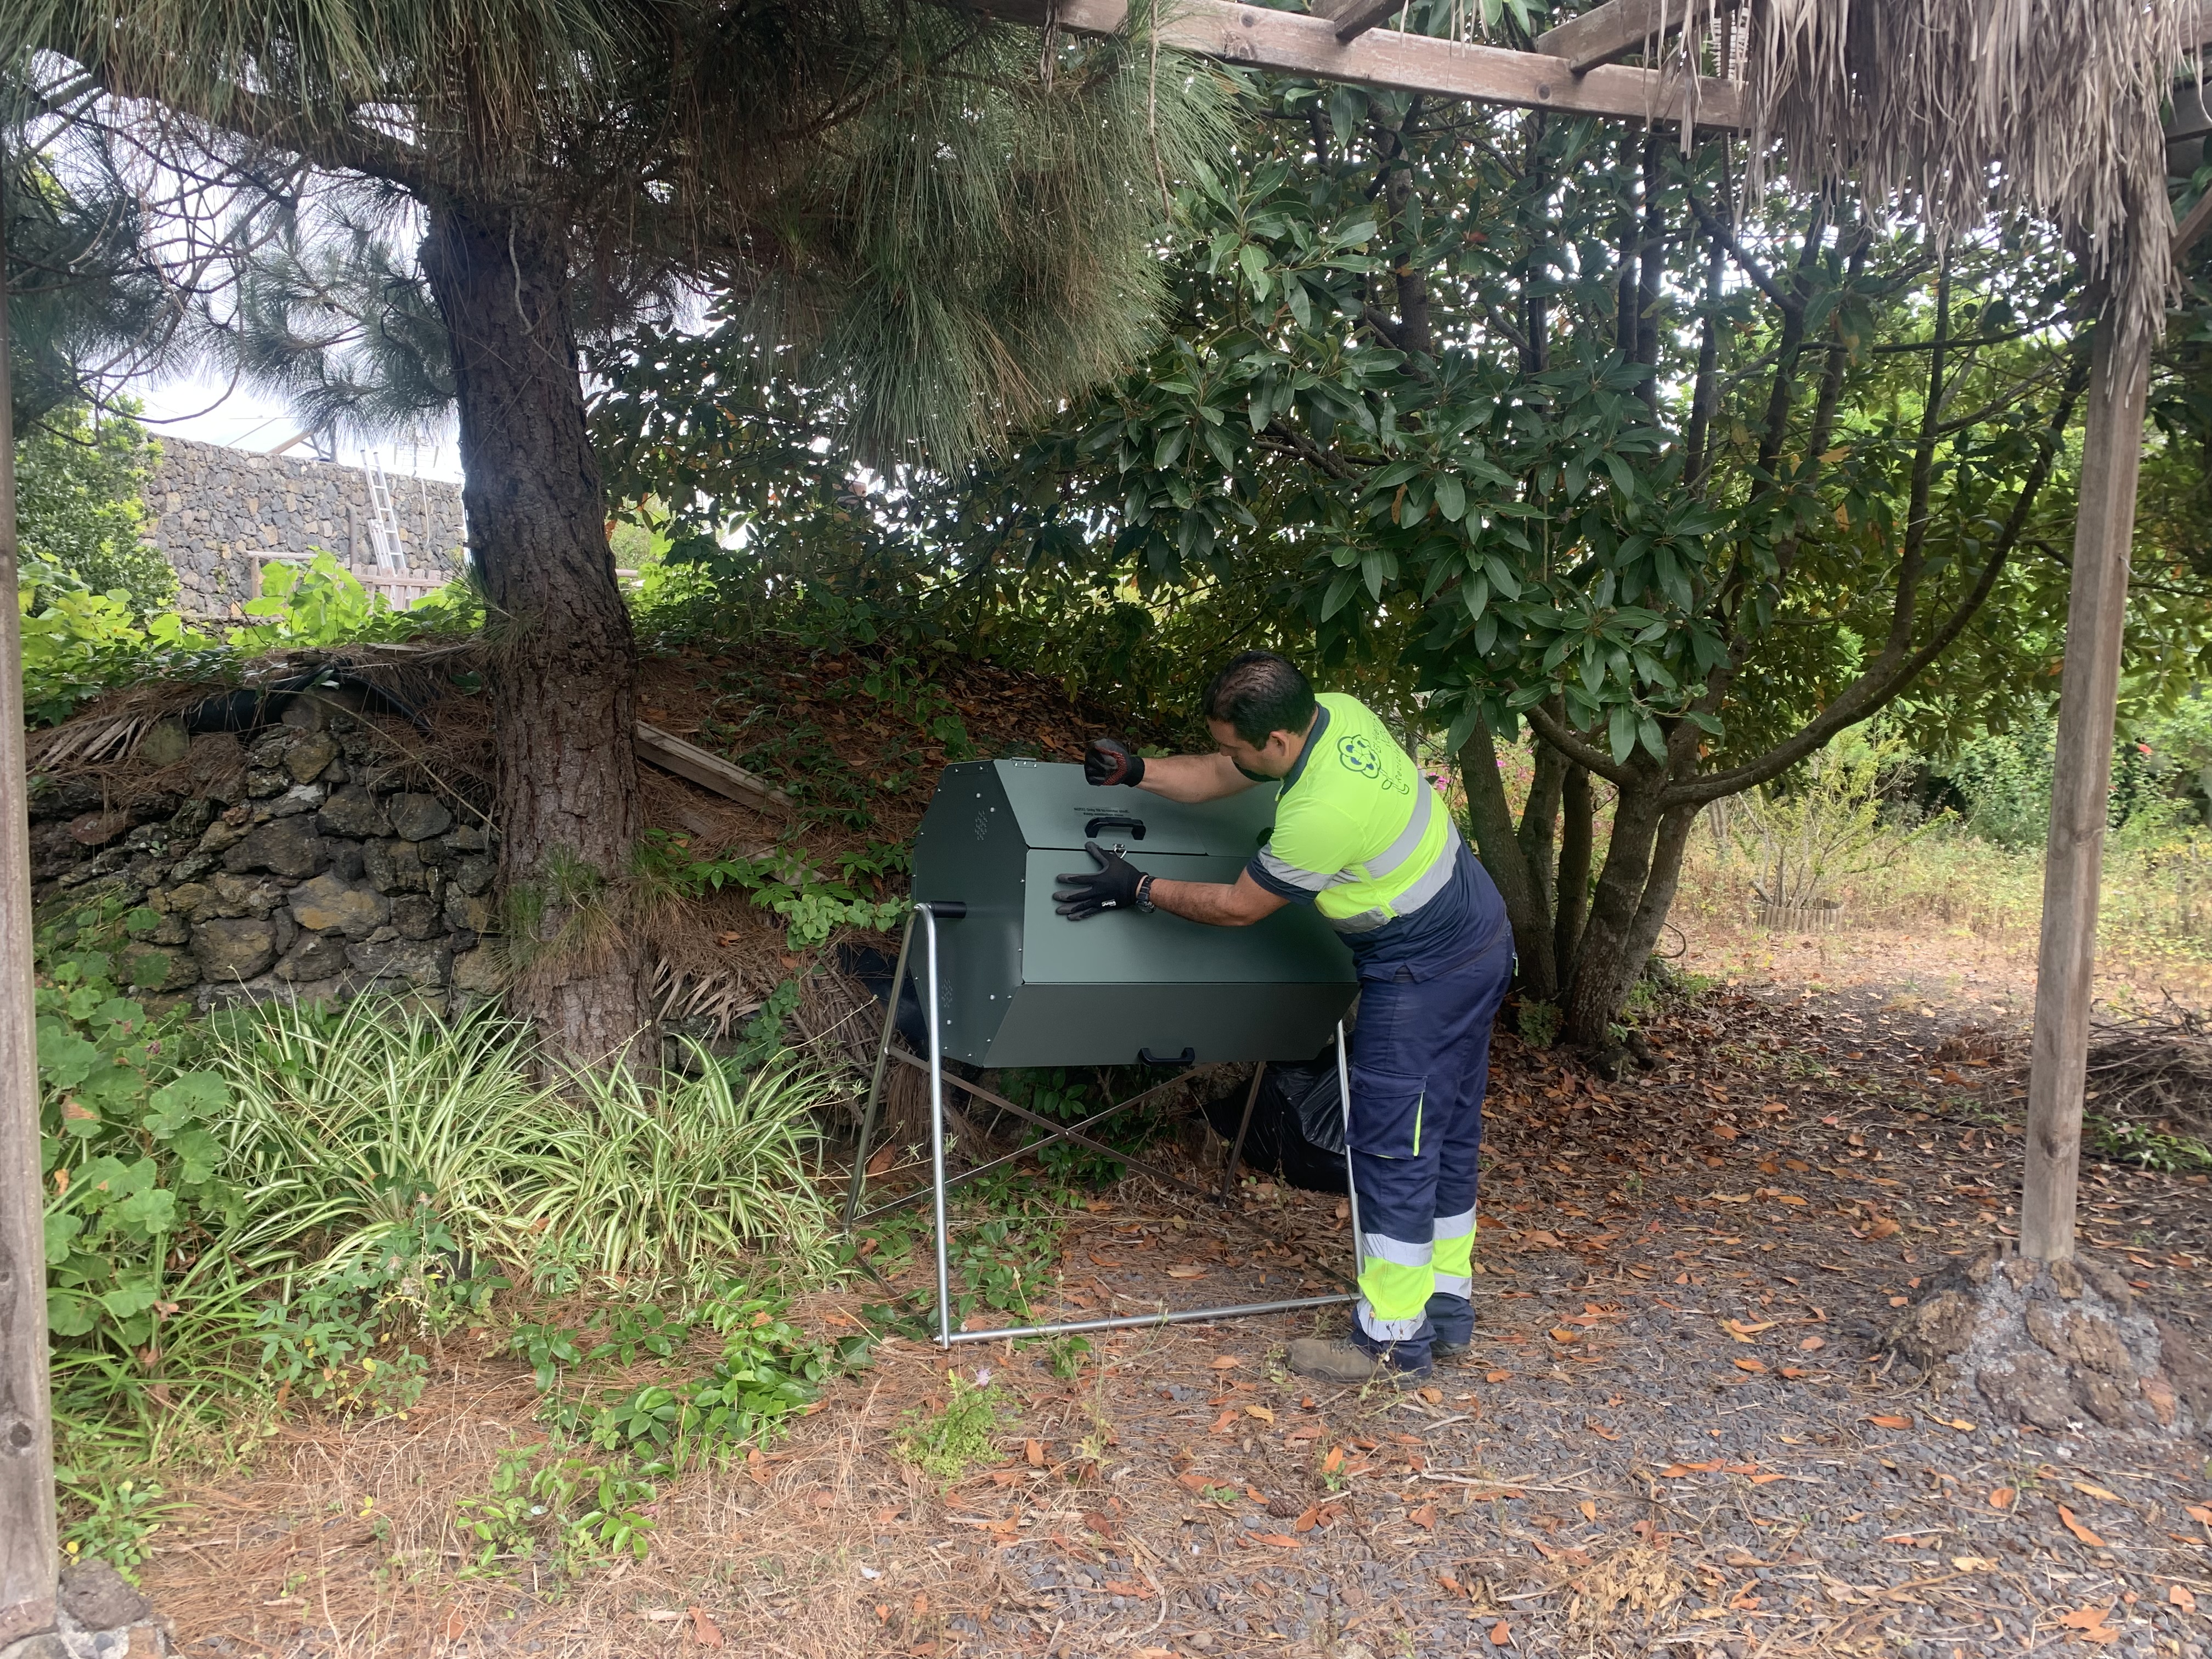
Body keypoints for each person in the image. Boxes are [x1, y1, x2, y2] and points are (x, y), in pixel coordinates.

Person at [1054, 652, 1513, 1383]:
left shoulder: (1320, 812)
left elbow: (1239, 907)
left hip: (1425, 967)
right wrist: (1138, 771)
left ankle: (1392, 1342)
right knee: (1447, 1126)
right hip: (1479, 928)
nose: (1229, 755)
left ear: (1276, 742)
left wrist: (1138, 888)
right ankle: (1446, 1311)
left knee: (1392, 1143)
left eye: (1238, 745)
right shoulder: (1331, 714)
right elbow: (1217, 771)